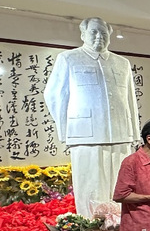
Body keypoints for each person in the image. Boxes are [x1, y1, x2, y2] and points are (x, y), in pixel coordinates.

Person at [44, 17, 140, 217]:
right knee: (90, 184)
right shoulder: (69, 58)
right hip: (85, 136)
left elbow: (130, 98)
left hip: (121, 134)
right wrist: (66, 132)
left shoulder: (122, 63)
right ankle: (91, 226)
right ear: (83, 34)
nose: (99, 37)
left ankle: (121, 225)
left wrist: (134, 133)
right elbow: (55, 95)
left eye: (103, 33)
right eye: (93, 32)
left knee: (121, 184)